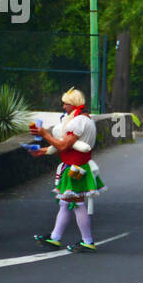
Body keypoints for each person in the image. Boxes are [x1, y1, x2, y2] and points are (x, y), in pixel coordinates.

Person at [32, 87, 104, 252]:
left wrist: (44, 134)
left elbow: (64, 145)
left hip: (75, 168)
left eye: (66, 104)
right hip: (74, 166)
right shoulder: (83, 119)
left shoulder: (78, 122)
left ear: (74, 104)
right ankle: (55, 238)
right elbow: (64, 146)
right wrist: (43, 150)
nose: (63, 106)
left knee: (77, 204)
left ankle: (88, 241)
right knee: (65, 203)